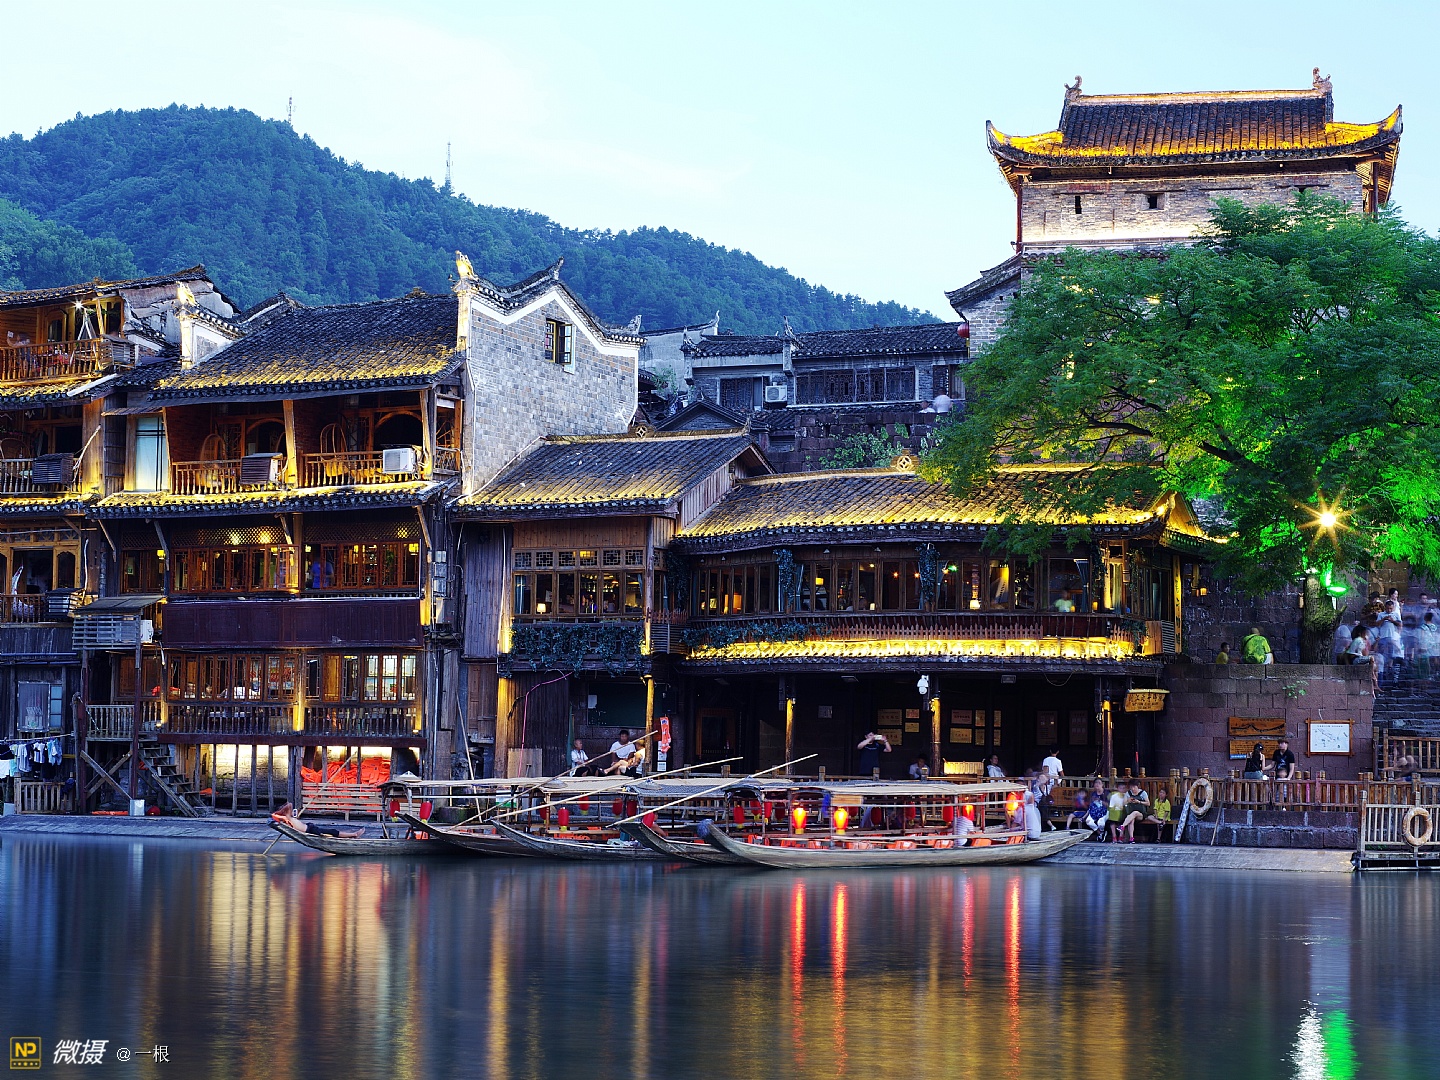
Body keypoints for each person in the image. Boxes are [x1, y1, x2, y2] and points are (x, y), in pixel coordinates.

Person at [271, 803, 364, 839]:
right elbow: (290, 804)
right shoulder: (287, 817)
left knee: (333, 831)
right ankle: (354, 834)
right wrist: (281, 811)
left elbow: (289, 806)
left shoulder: (288, 818)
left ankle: (352, 835)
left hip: (310, 827)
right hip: (310, 830)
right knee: (333, 832)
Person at [1418, 611, 1440, 680]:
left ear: (1425, 618)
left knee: (1428, 660)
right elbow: (1436, 635)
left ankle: (1429, 674)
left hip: (1427, 644)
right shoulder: (1434, 626)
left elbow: (1422, 636)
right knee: (1435, 658)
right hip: (1434, 644)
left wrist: (1421, 645)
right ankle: (1437, 671)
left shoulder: (1423, 627)